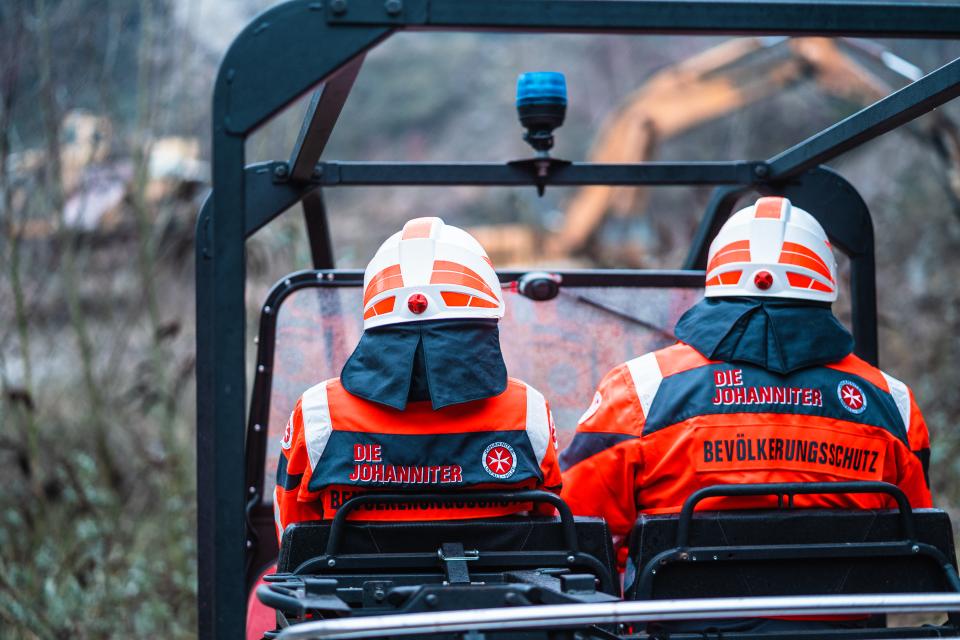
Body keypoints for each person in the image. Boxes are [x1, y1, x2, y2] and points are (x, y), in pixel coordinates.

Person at [560, 196, 932, 566]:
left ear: (716, 274)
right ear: (824, 280)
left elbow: (578, 534)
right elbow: (917, 546)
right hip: (842, 626)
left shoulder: (637, 393)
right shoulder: (892, 403)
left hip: (680, 624)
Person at [273, 216, 561, 540]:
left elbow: (293, 537)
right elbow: (546, 527)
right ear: (487, 312)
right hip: (499, 591)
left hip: (354, 590)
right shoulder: (527, 412)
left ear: (374, 310)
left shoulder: (318, 414)